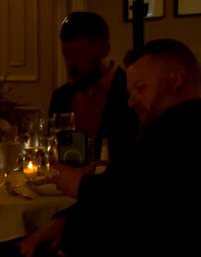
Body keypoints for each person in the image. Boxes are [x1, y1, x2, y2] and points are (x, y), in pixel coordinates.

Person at [19, 39, 201, 257]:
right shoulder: (197, 125)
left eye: (140, 89)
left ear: (176, 80)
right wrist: (65, 219)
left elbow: (122, 197)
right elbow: (134, 190)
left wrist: (73, 181)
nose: (131, 101)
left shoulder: (179, 132)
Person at [51, 11, 137, 162]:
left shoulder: (132, 93)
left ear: (104, 50)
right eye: (67, 56)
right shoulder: (61, 97)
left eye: (79, 56)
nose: (71, 64)